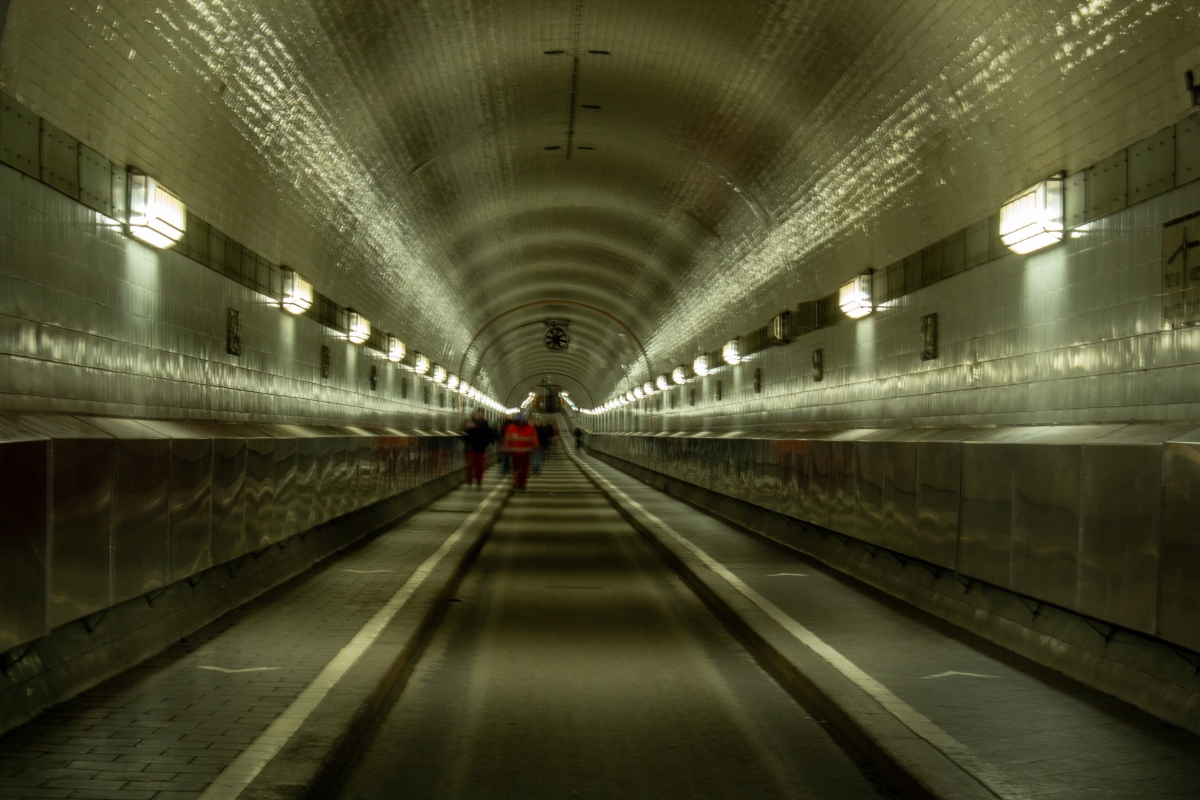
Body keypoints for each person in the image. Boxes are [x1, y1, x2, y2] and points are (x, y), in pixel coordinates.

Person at [503, 413, 540, 490]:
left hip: (525, 453)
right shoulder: (511, 428)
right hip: (515, 453)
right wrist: (506, 448)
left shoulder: (530, 429)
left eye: (522, 420)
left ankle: (522, 483)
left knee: (524, 469)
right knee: (516, 468)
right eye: (520, 420)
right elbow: (507, 439)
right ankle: (517, 481)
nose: (521, 422)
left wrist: (536, 446)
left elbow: (534, 439)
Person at [462, 408, 492, 487]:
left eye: (481, 413)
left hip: (481, 447)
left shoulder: (485, 423)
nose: (479, 415)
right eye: (478, 413)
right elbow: (465, 435)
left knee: (480, 464)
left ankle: (479, 478)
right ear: (475, 414)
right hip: (471, 447)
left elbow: (488, 434)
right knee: (471, 464)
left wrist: (486, 443)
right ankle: (470, 478)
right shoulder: (471, 423)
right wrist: (469, 428)